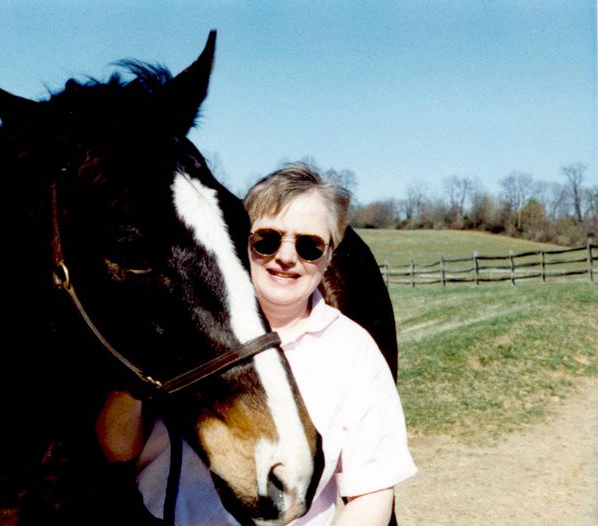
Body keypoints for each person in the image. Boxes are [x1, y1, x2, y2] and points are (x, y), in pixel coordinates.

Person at [98, 163, 416, 525]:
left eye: (310, 246)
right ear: (240, 240)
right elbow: (120, 449)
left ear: (329, 256)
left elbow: (371, 493)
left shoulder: (353, 351)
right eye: (268, 239)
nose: (286, 257)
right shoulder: (179, 324)